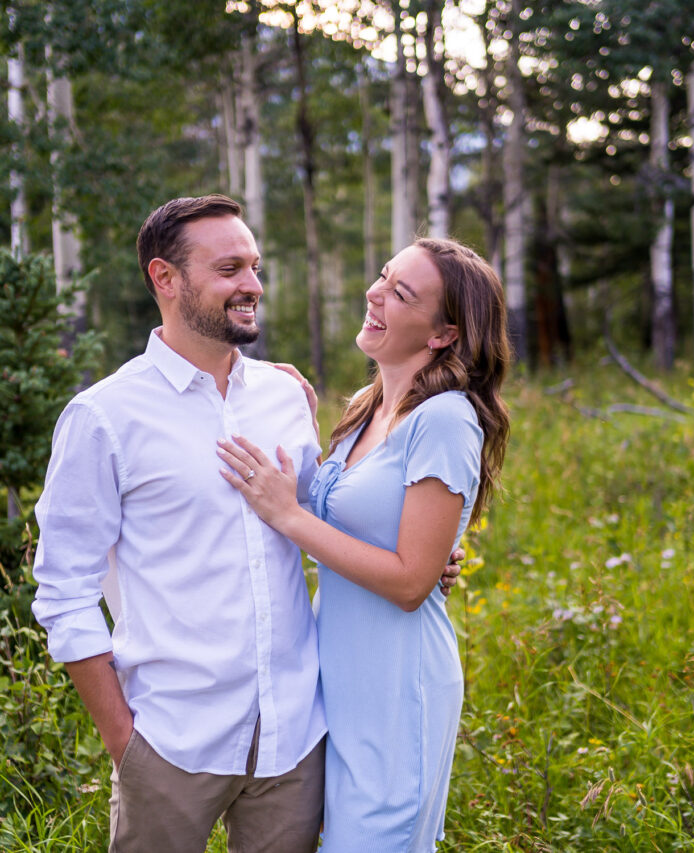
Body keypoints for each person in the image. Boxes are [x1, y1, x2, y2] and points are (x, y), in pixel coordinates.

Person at [31, 195, 459, 853]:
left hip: (295, 739)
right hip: (172, 740)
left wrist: (420, 558)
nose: (253, 285)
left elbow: (317, 522)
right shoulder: (104, 417)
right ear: (165, 278)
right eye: (229, 269)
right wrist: (125, 741)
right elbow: (64, 593)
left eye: (254, 266)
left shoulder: (285, 396)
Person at [216, 237, 511, 851]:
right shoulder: (367, 407)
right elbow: (355, 532)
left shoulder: (445, 419)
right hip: (336, 685)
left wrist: (287, 514)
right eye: (382, 276)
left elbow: (409, 584)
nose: (374, 294)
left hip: (396, 687)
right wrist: (301, 420)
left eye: (401, 293)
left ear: (443, 335)